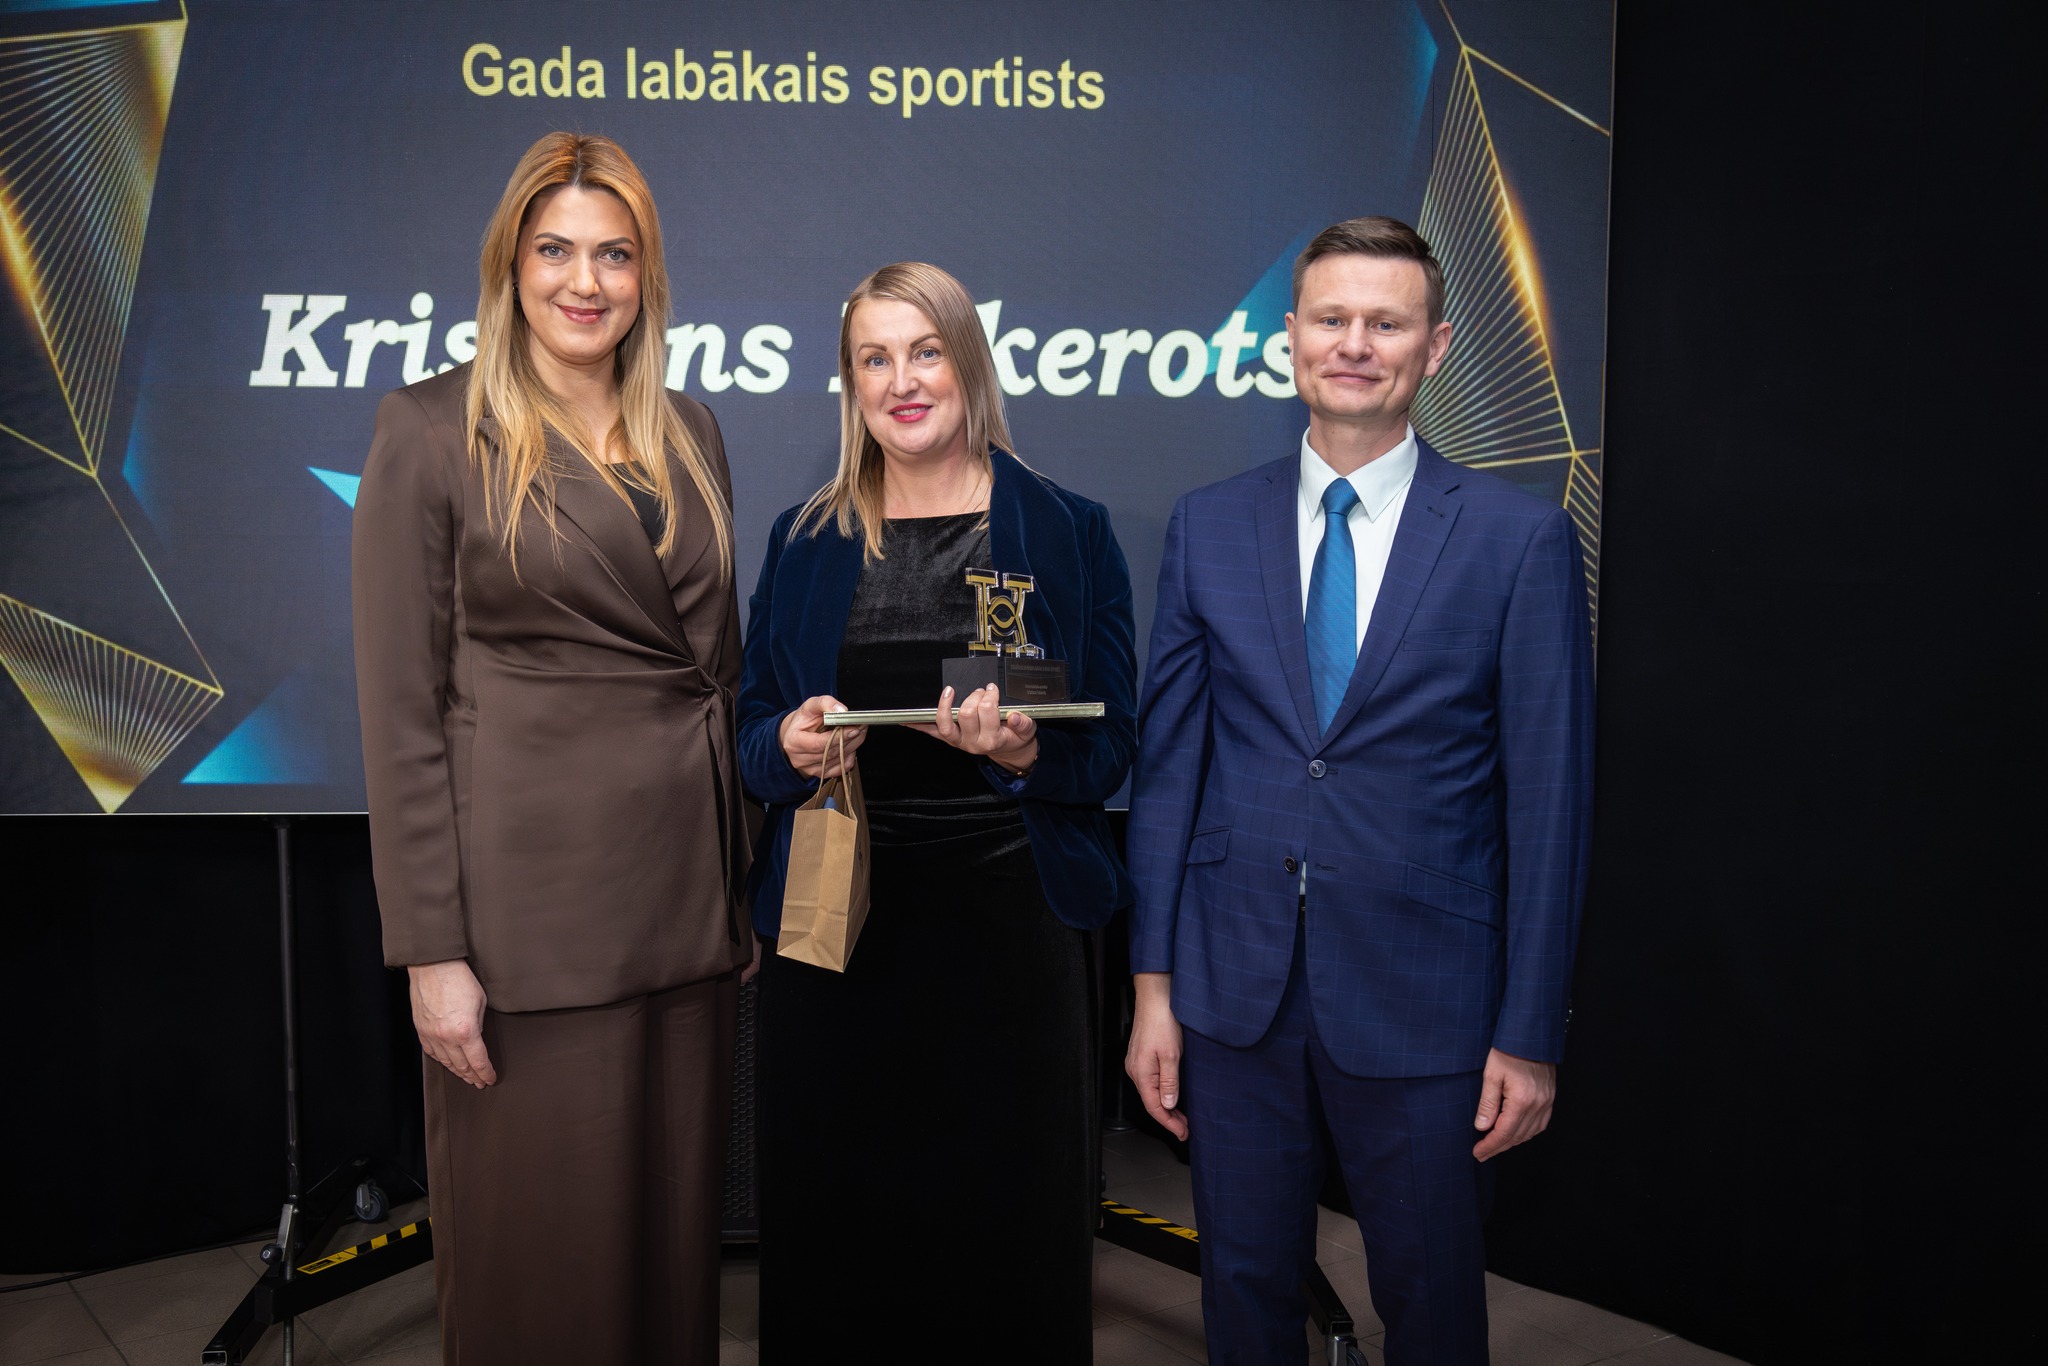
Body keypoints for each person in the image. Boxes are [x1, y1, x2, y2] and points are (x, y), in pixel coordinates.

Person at [1124, 216, 1595, 1365]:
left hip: (1427, 998)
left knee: (1430, 1303)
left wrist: (1528, 1033)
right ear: (1288, 336)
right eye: (1330, 318)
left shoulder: (1519, 540)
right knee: (1242, 1293)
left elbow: (1549, 811)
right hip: (1231, 992)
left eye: (1384, 323)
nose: (1352, 344)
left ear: (1434, 347)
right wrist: (1150, 991)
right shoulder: (1207, 524)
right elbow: (1169, 773)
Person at [352, 131, 750, 1366]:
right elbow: (400, 711)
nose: (586, 281)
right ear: (509, 265)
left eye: (614, 254)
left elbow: (715, 672)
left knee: (667, 1269)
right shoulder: (431, 429)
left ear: (647, 275)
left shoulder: (690, 428)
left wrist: (736, 878)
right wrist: (431, 951)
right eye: (555, 250)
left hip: (685, 913)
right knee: (544, 1279)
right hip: (529, 932)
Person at [736, 261, 1136, 1363]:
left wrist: (1026, 752)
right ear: (850, 382)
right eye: (874, 358)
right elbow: (750, 734)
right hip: (839, 924)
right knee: (838, 1227)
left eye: (924, 352)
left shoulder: (1071, 530)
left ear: (968, 362)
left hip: (1013, 922)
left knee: (1005, 1230)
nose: (901, 381)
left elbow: (1111, 748)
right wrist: (788, 745)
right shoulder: (800, 538)